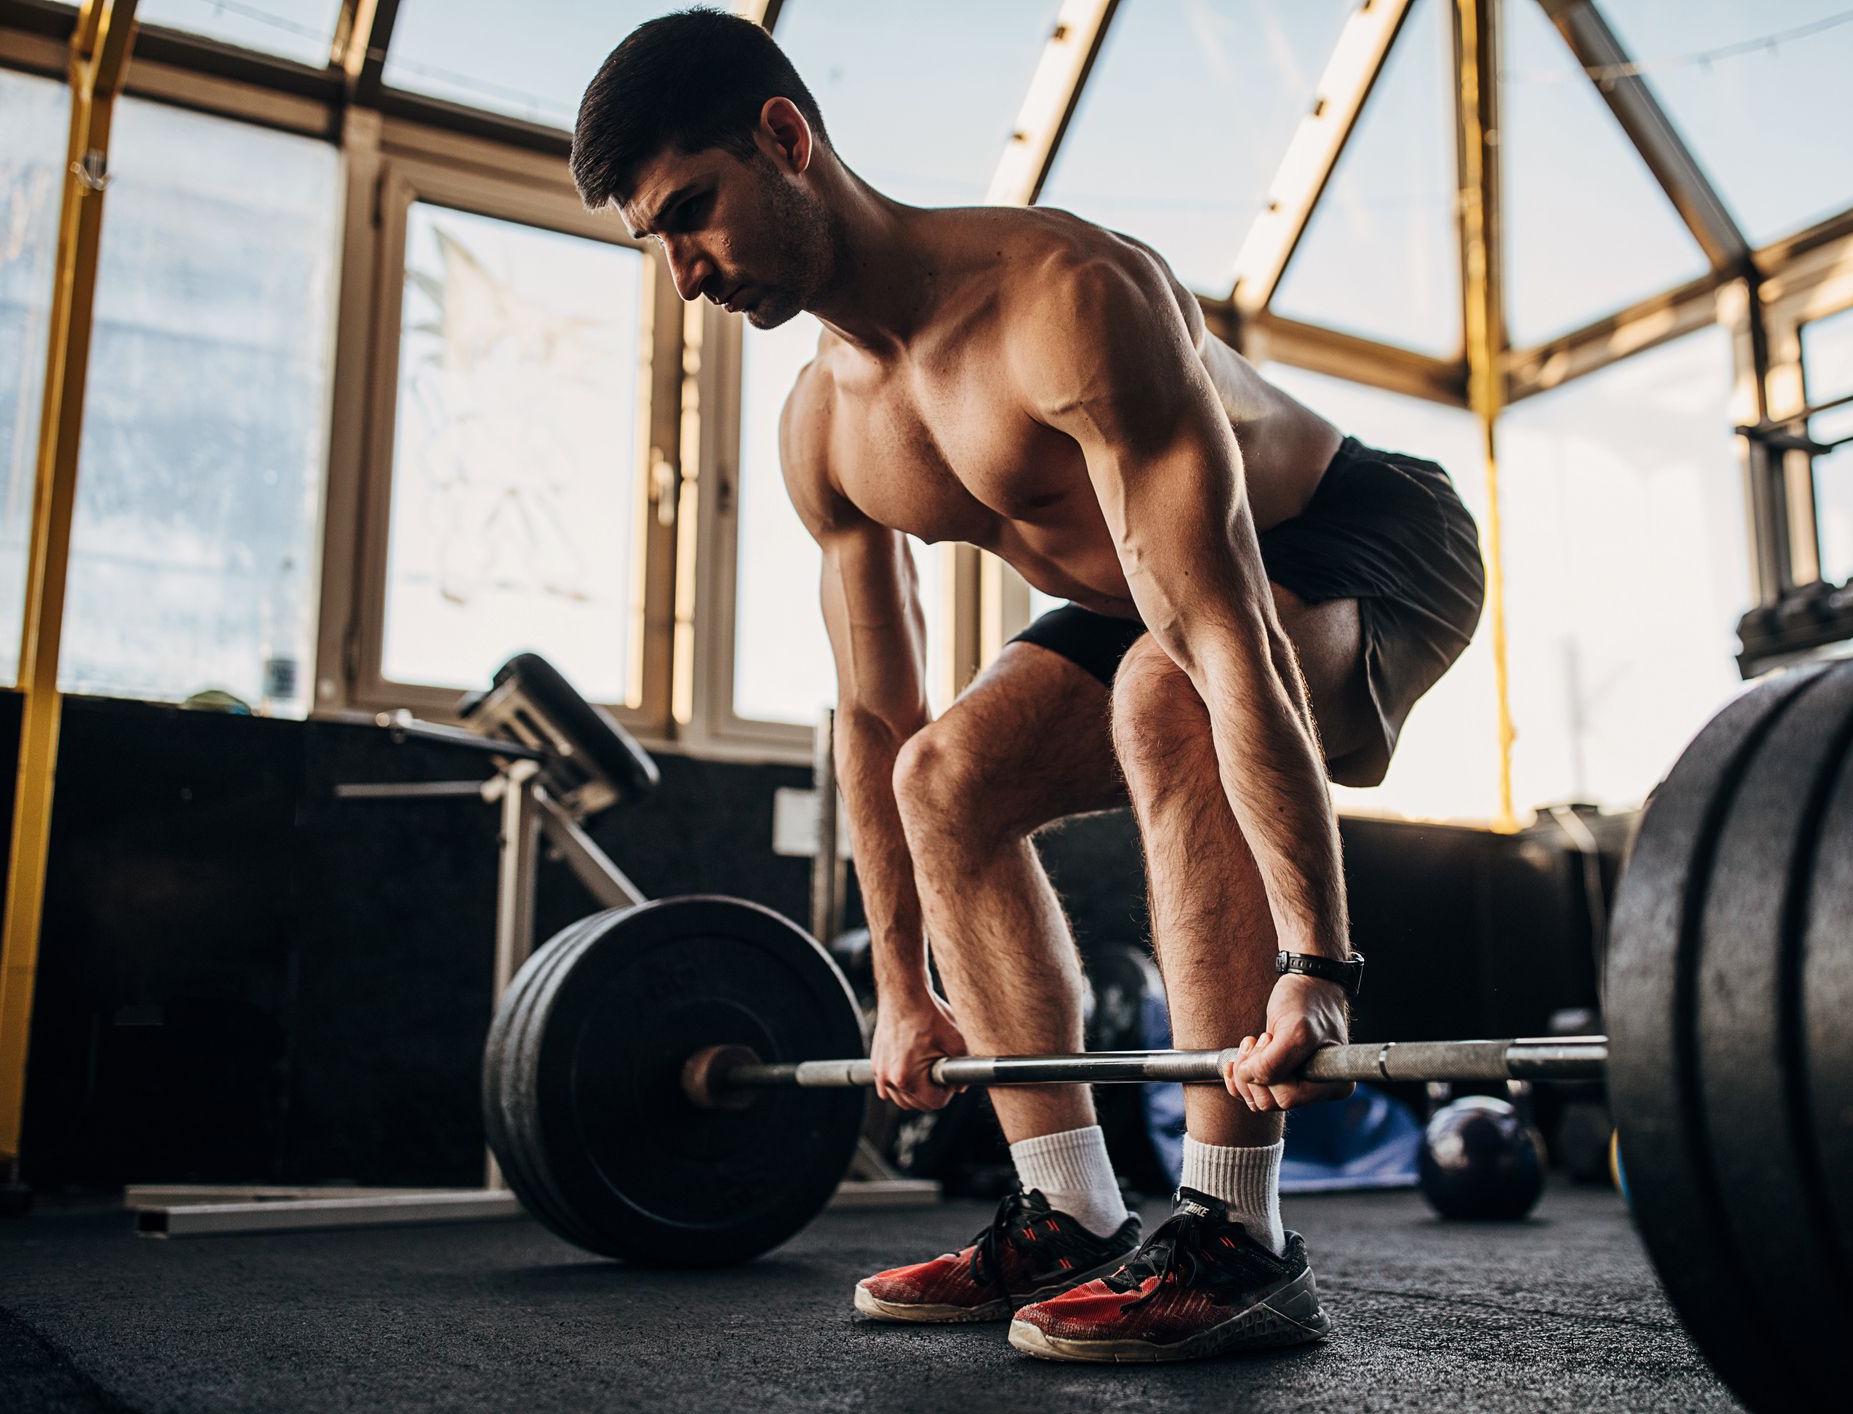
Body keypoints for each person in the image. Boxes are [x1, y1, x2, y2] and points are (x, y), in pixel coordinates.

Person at [572, 10, 1483, 1363]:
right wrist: (898, 984)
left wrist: (1315, 960)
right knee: (943, 776)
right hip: (1154, 591)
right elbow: (878, 719)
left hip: (1362, 533)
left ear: (784, 137)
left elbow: (1220, 625)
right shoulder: (825, 428)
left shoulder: (1061, 297)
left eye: (692, 212)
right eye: (660, 240)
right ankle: (1065, 1210)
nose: (688, 276)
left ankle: (1239, 1236)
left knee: (1163, 695)